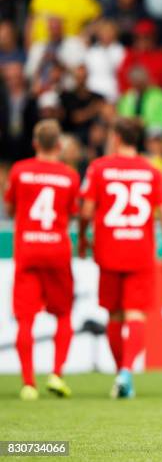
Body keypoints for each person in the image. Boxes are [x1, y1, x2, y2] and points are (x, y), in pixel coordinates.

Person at [78, 117, 162, 398]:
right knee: (135, 315)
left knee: (114, 315)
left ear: (117, 137)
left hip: (108, 250)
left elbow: (85, 211)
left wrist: (84, 237)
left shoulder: (99, 168)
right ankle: (126, 372)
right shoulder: (152, 171)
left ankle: (121, 372)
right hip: (140, 252)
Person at [4, 119, 80, 400]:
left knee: (25, 318)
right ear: (59, 145)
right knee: (63, 314)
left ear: (35, 143)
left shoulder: (20, 171)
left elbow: (10, 208)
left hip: (27, 249)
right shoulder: (69, 175)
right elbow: (71, 211)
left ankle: (27, 384)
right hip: (57, 250)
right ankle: (56, 375)